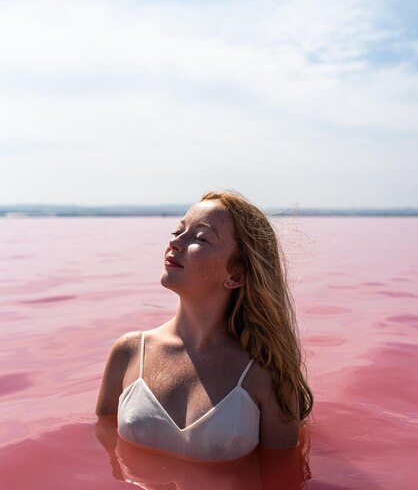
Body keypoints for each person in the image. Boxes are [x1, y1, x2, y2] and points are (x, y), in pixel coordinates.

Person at [96, 189, 313, 462]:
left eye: (200, 238)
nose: (175, 244)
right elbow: (102, 456)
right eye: (177, 232)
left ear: (235, 275)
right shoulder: (128, 353)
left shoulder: (267, 375)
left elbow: (283, 485)